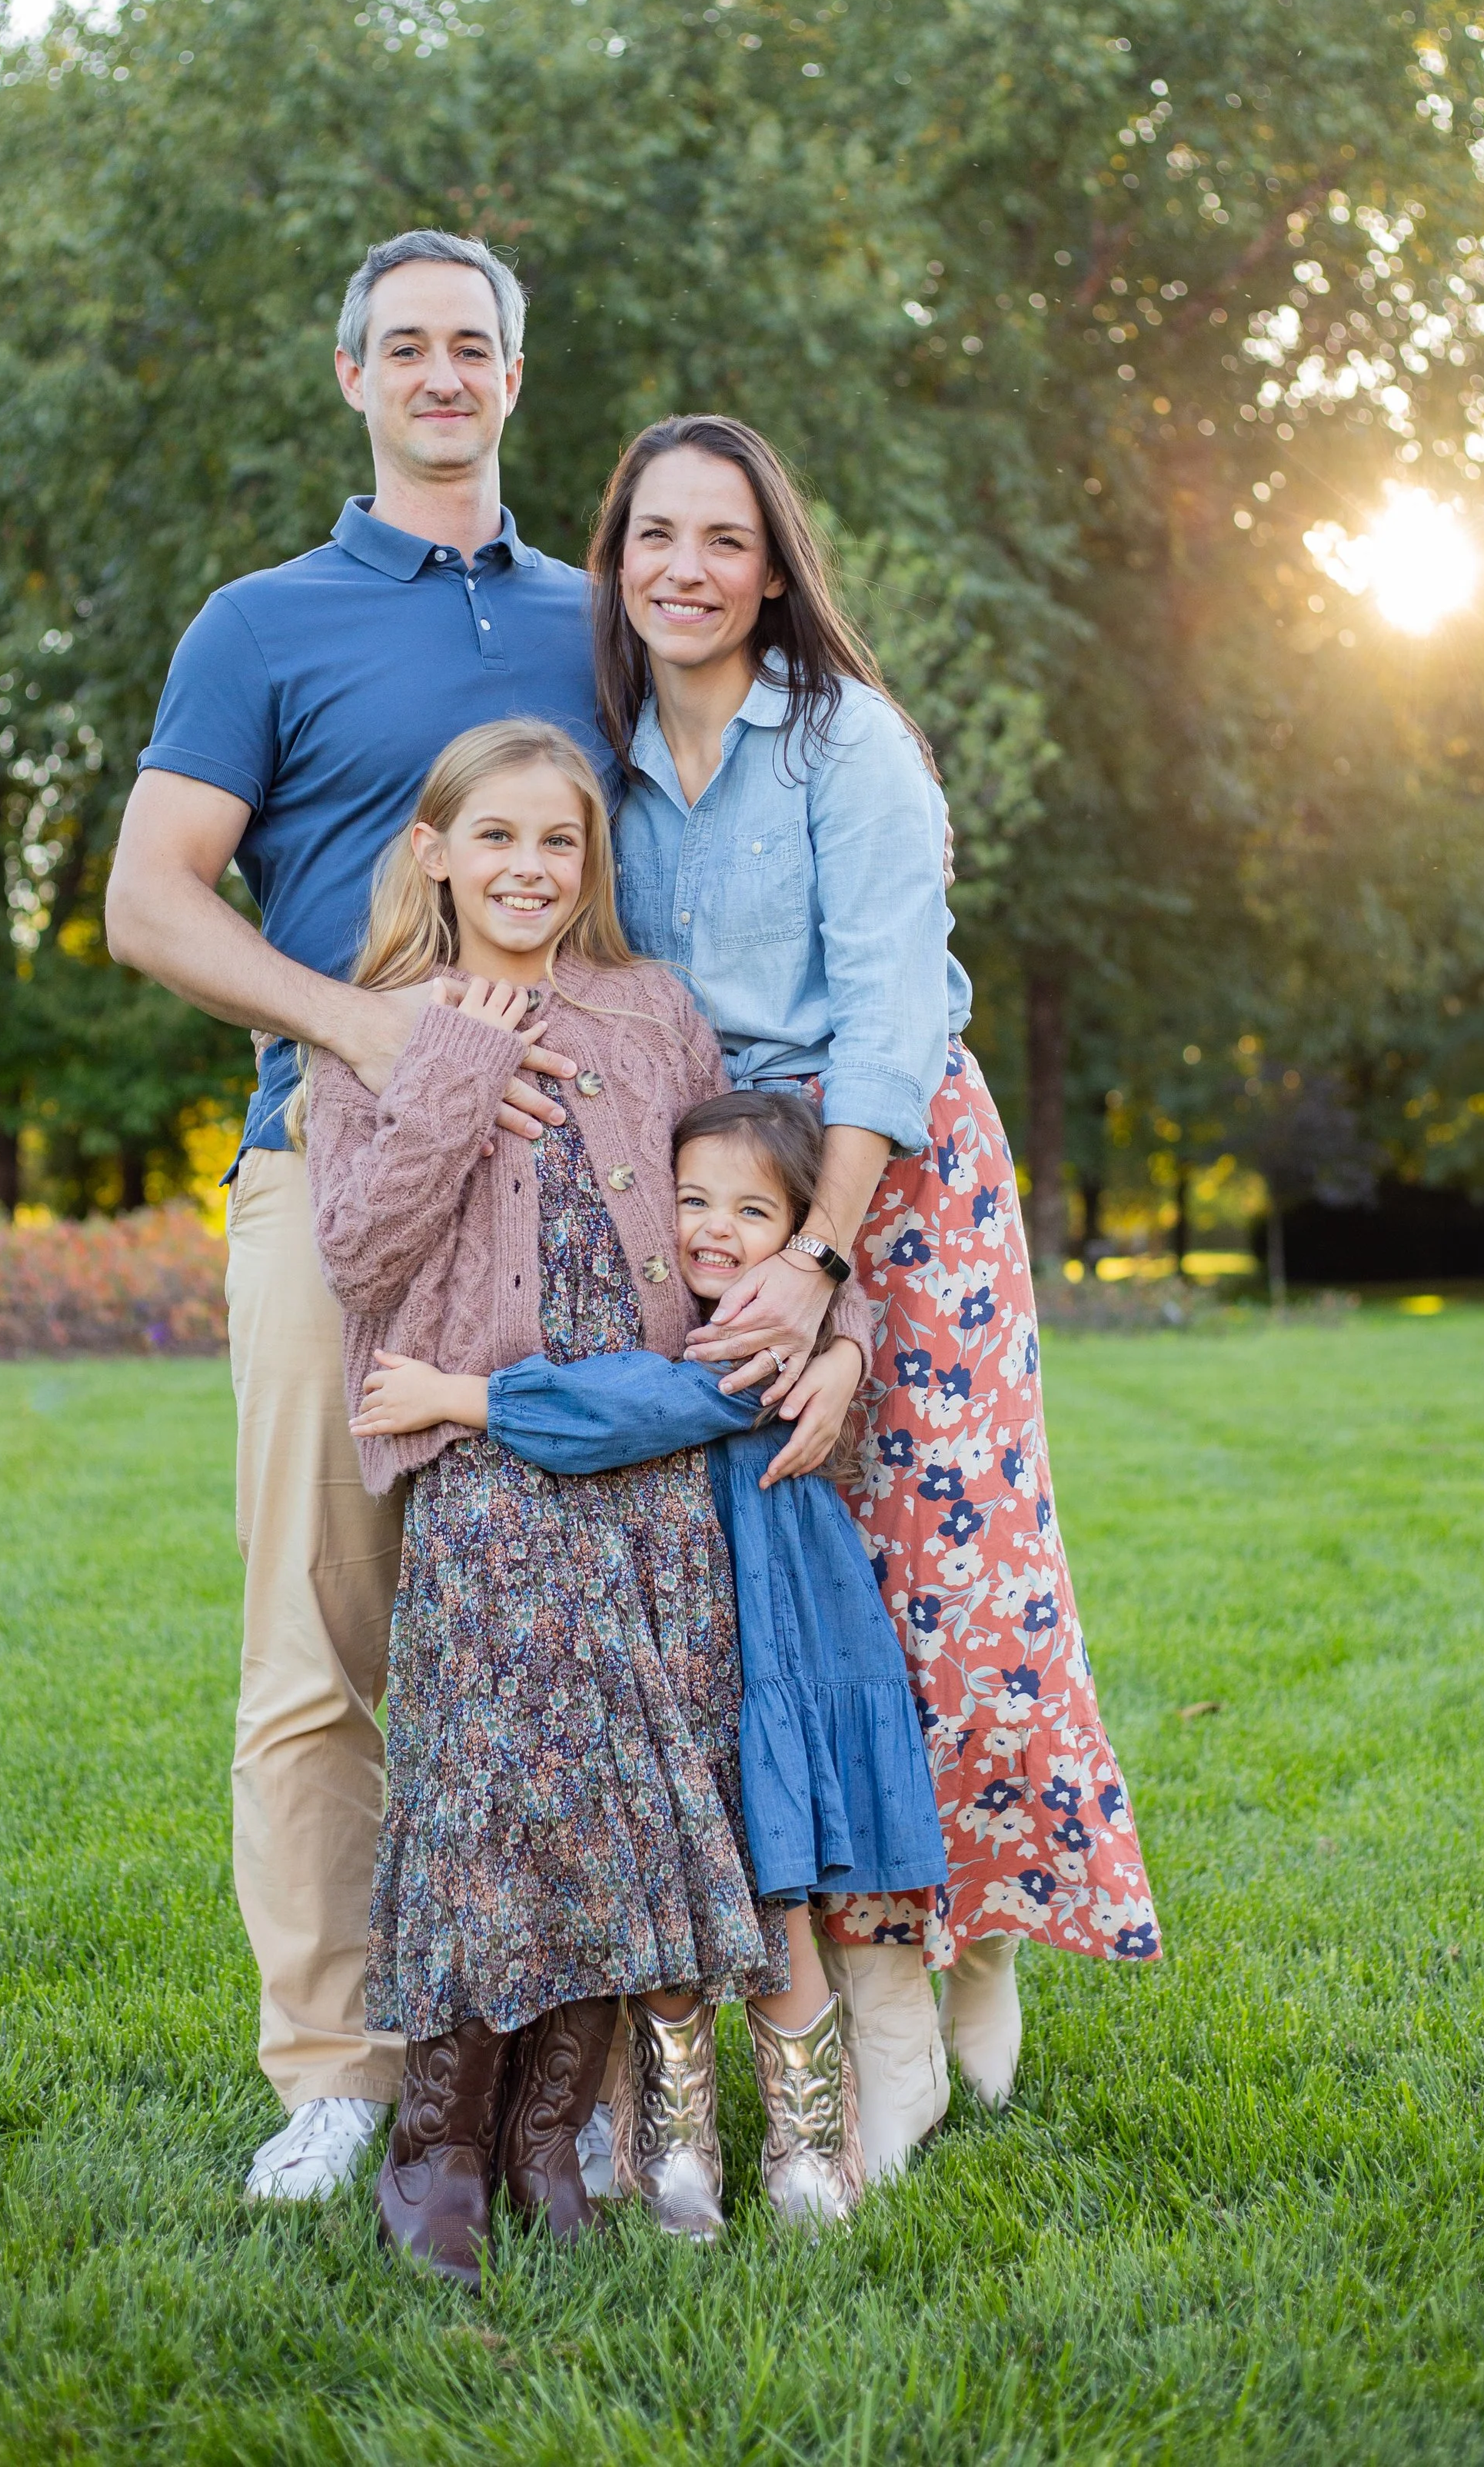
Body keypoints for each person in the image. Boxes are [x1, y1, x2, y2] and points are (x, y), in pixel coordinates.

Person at [587, 412, 1164, 2179]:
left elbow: (894, 1025)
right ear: (618, 561)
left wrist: (825, 1262)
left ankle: (957, 1949)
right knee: (776, 1596)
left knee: (947, 1584)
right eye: (652, 537)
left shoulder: (848, 746)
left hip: (889, 1175)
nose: (684, 569)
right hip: (707, 1191)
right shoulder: (597, 758)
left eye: (721, 540)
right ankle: (860, 1965)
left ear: (773, 572)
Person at [104, 229, 615, 2199]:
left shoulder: (603, 617)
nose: (439, 373)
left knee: (572, 1631)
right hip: (329, 1181)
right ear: (351, 379)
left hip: (576, 1196)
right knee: (320, 1640)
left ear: (510, 376)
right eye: (403, 345)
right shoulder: (262, 621)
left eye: (470, 344)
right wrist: (367, 1032)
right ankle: (335, 2065)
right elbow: (154, 902)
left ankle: (584, 2065)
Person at [300, 717, 876, 2279]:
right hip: (484, 1454)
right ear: (433, 853)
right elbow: (359, 1256)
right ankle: (441, 2142)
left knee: (634, 1790)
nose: (528, 869)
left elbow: (746, 1218)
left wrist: (841, 1330)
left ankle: (561, 2133)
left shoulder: (646, 1010)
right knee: (492, 1776)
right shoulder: (367, 1027)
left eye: (557, 842)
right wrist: (460, 1058)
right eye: (493, 838)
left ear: (589, 862)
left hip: (658, 1451)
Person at [354, 1083, 950, 2231]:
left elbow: (624, 1408)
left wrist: (463, 1395)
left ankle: (809, 2146)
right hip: (692, 1646)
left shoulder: (753, 1343)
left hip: (769, 1647)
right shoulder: (708, 1315)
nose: (714, 1229)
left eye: (750, 1212)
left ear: (796, 1243)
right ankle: (677, 2148)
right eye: (691, 1199)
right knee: (679, 1907)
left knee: (775, 1905)